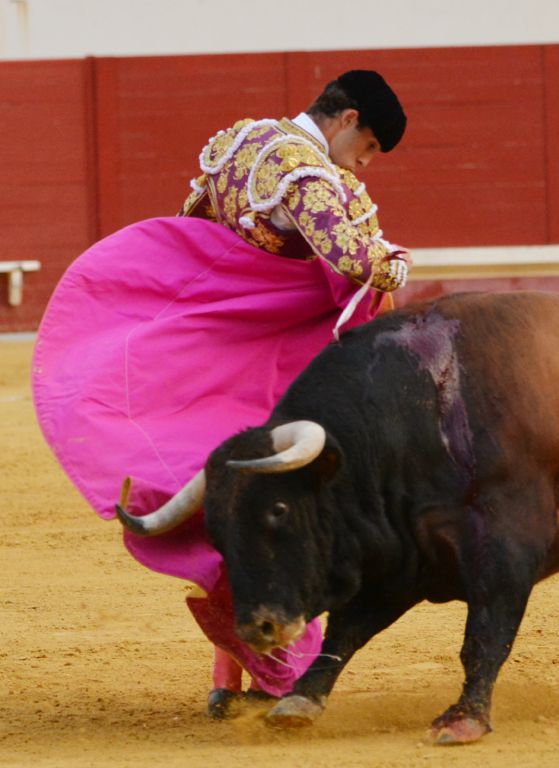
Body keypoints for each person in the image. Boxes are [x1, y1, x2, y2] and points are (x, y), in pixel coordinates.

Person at [32, 70, 409, 719]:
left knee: (231, 495)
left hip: (220, 354)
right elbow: (351, 261)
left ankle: (227, 682)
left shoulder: (239, 144)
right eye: (369, 146)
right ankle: (272, 673)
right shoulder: (307, 175)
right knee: (278, 505)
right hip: (268, 362)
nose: (365, 162)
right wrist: (396, 263)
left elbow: (192, 226)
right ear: (346, 120)